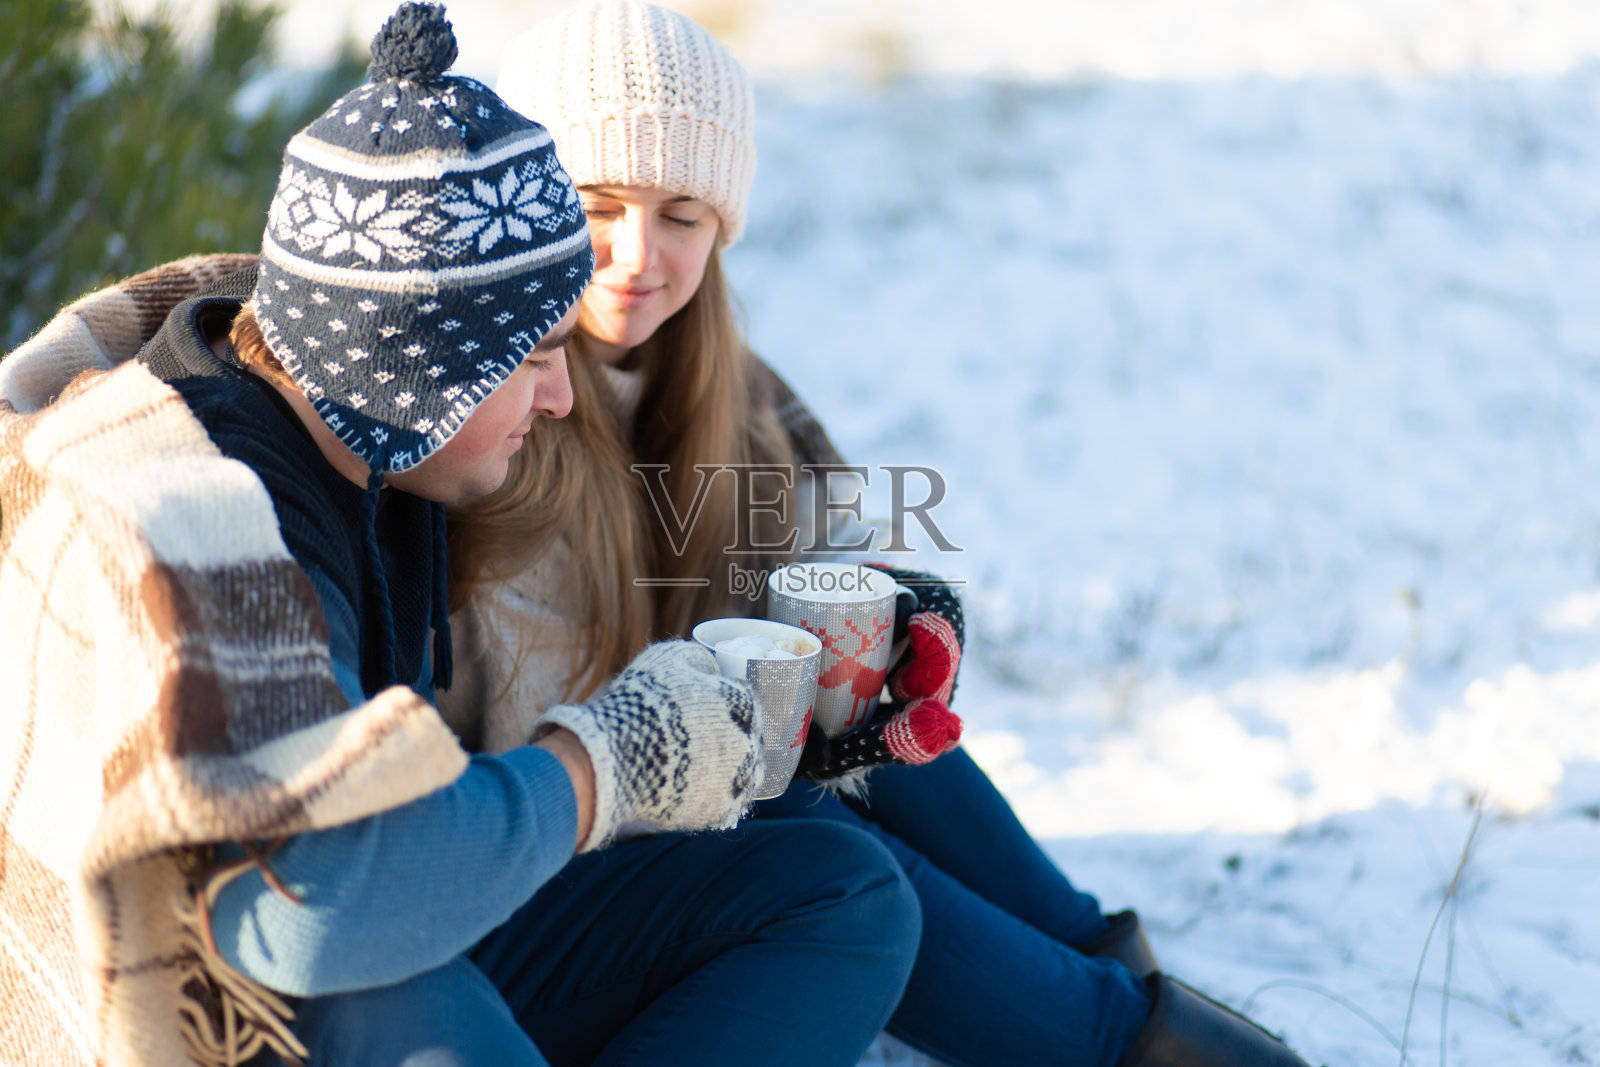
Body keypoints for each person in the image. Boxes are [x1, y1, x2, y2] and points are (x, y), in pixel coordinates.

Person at [0, 5, 920, 1066]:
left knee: (834, 883)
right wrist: (602, 761)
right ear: (415, 358)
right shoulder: (208, 521)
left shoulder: (359, 439)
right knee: (426, 1014)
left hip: (375, 904)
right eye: (533, 356)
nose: (566, 397)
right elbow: (303, 907)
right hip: (224, 988)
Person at [444, 2, 1321, 1065]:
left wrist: (890, 634)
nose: (638, 256)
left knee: (871, 728)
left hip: (665, 779)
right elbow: (526, 728)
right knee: (802, 817)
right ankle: (1114, 1036)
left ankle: (1107, 968)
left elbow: (825, 564)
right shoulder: (489, 406)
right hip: (537, 851)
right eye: (596, 204)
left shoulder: (721, 387)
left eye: (682, 213)